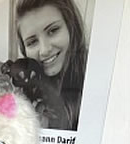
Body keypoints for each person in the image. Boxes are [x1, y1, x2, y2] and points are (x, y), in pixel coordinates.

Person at [14, 0, 87, 130]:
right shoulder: (22, 96)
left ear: (71, 27)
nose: (44, 50)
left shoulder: (98, 78)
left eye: (53, 31)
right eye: (32, 42)